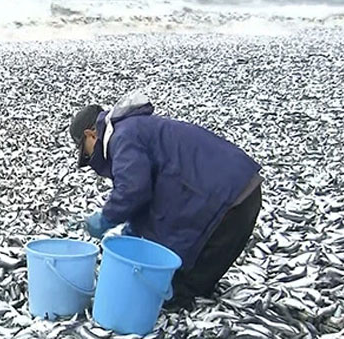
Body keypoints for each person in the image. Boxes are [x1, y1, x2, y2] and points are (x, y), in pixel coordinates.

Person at [69, 90, 263, 309]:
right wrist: (133, 230)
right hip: (234, 192)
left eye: (84, 152)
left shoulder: (123, 137)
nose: (88, 158)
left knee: (181, 289)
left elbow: (133, 189)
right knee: (184, 278)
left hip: (229, 200)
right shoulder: (132, 130)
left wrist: (105, 218)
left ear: (91, 134)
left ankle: (193, 331)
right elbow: (147, 192)